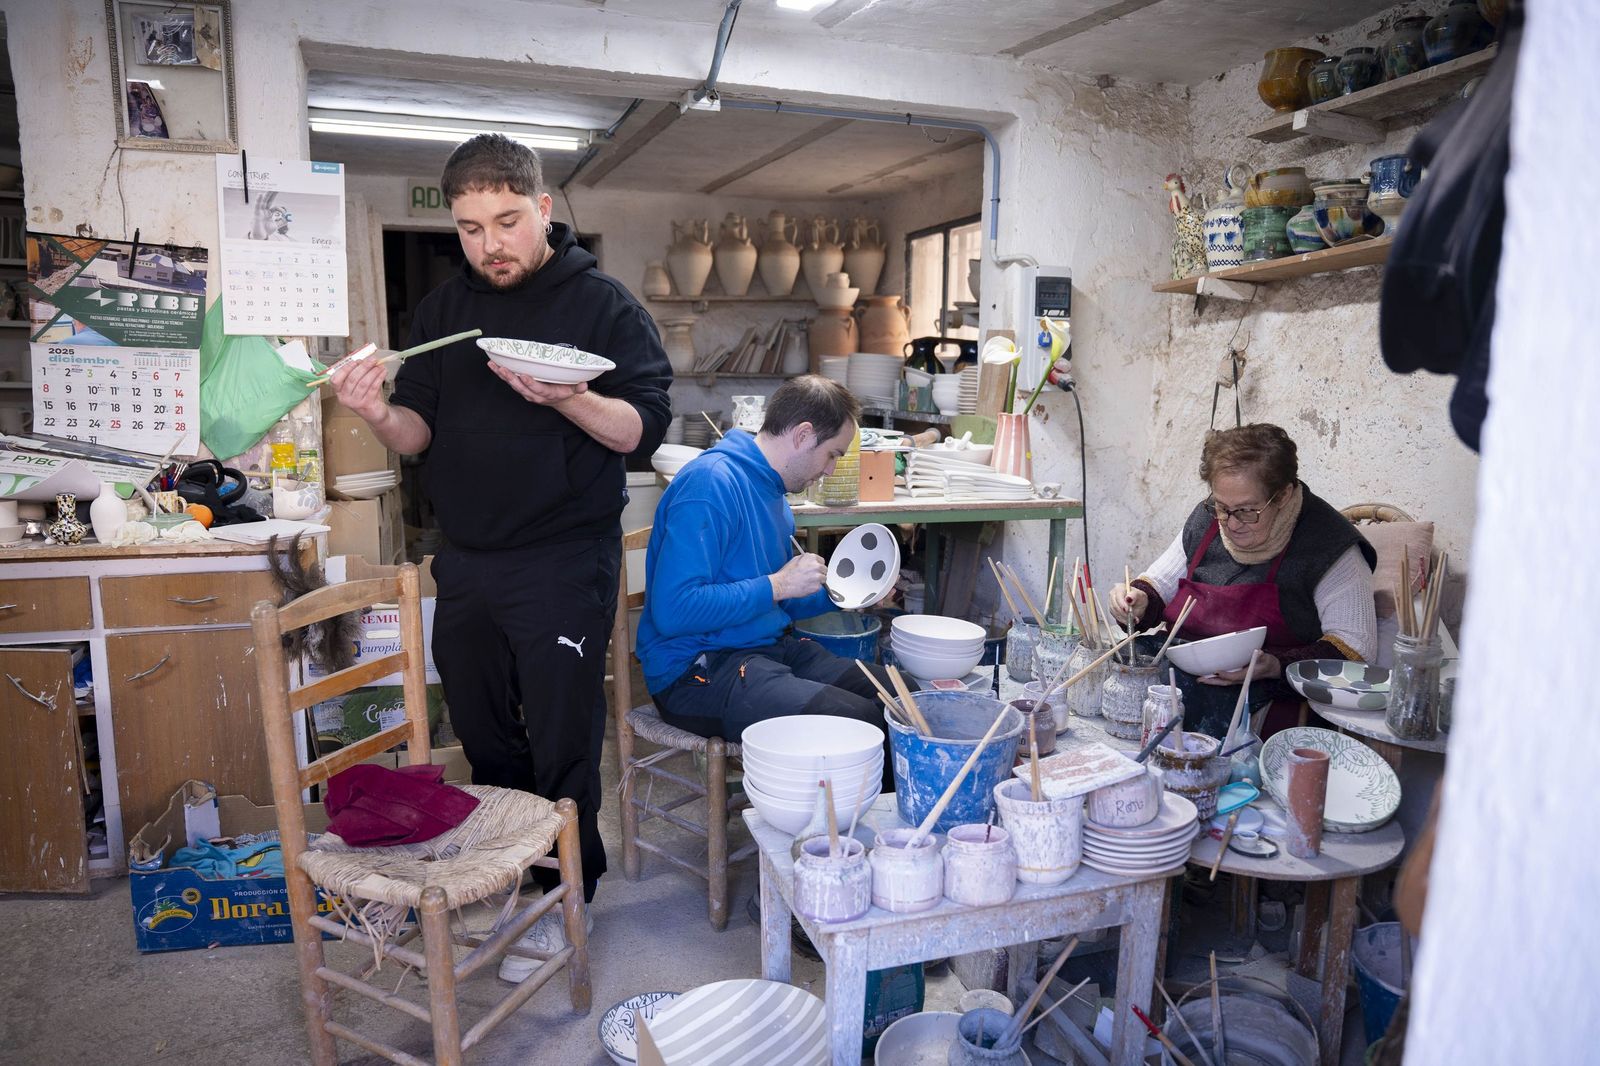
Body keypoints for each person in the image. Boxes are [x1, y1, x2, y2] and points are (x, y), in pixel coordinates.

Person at [329, 133, 671, 980]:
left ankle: (567, 895)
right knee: (484, 734)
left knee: (561, 741)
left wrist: (574, 398)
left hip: (563, 558)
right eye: (472, 227)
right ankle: (515, 877)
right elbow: (418, 434)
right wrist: (374, 412)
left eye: (507, 221)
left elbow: (641, 430)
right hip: (470, 560)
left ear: (543, 209)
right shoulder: (446, 312)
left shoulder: (605, 308)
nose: (491, 244)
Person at [636, 376, 894, 759]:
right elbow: (674, 611)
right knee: (858, 723)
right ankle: (853, 817)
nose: (830, 470)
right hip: (694, 670)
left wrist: (842, 596)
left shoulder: (773, 490)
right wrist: (776, 585)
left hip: (764, 648)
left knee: (897, 698)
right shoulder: (710, 484)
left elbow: (777, 602)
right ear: (804, 435)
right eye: (833, 454)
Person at [1109, 423, 1376, 737]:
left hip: (1266, 692)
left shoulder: (1329, 546)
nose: (1231, 523)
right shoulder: (1208, 518)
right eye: (1222, 507)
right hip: (1187, 669)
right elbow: (1158, 584)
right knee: (1120, 673)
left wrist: (1276, 666)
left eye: (1248, 511)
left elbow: (1356, 652)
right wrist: (1136, 600)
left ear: (1283, 495)